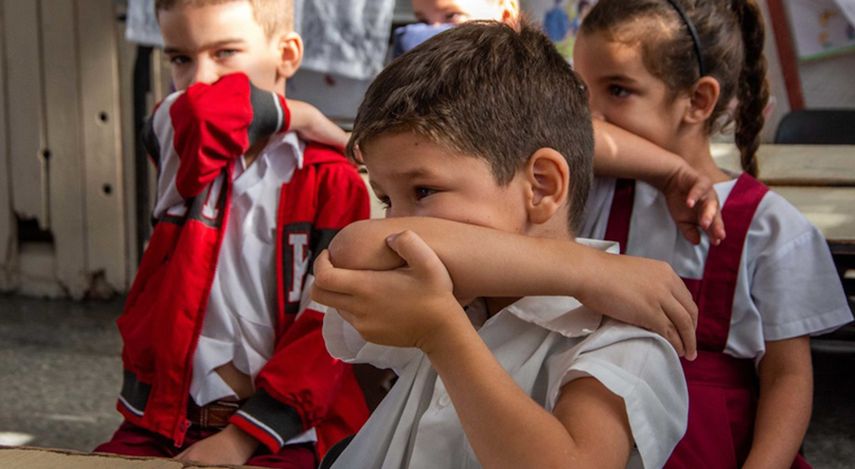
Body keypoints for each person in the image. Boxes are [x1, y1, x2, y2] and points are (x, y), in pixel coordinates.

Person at [312, 21, 688, 468]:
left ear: (542, 187)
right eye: (386, 199)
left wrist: (442, 334)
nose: (397, 222)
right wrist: (584, 269)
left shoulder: (620, 339)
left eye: (424, 191)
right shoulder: (450, 293)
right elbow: (353, 249)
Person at [572, 1, 854, 467]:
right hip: (596, 434)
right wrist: (668, 173)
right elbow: (572, 135)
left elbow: (787, 377)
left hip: (711, 450)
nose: (592, 114)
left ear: (699, 101)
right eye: (582, 91)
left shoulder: (772, 227)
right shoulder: (593, 193)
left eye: (617, 90)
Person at [93, 0, 370, 467]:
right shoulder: (177, 145)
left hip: (285, 433)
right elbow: (205, 114)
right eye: (180, 58)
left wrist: (239, 440)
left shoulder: (331, 181)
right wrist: (304, 115)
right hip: (162, 423)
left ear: (287, 55)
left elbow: (326, 331)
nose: (199, 79)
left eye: (224, 53)